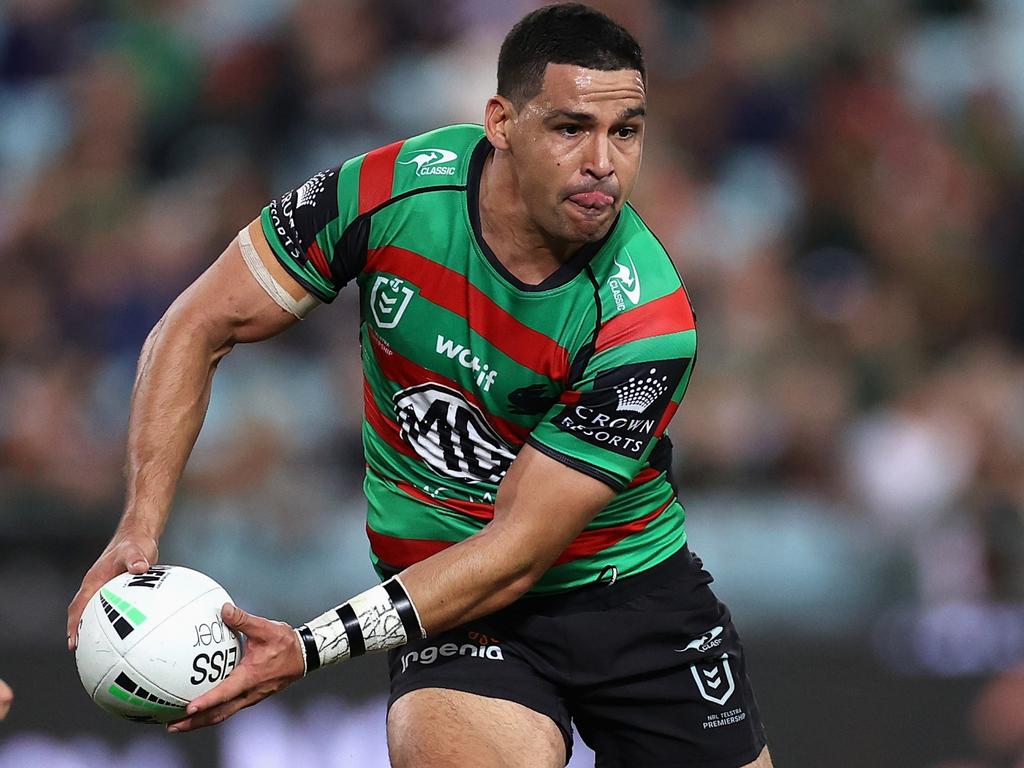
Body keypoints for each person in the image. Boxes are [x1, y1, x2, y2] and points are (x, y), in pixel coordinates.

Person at [67, 4, 771, 766]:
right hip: (454, 607)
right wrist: (138, 527)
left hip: (629, 597)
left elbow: (520, 550)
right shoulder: (386, 194)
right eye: (571, 128)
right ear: (501, 122)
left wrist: (306, 647)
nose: (603, 161)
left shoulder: (645, 318)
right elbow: (196, 325)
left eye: (625, 131)